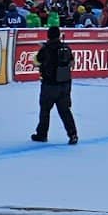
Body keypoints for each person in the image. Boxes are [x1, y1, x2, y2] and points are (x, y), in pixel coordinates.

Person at [31, 15, 78, 145]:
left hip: (49, 85)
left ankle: (42, 134)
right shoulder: (66, 48)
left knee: (45, 111)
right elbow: (72, 63)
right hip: (65, 84)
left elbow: (37, 62)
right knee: (65, 111)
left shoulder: (45, 49)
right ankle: (73, 134)